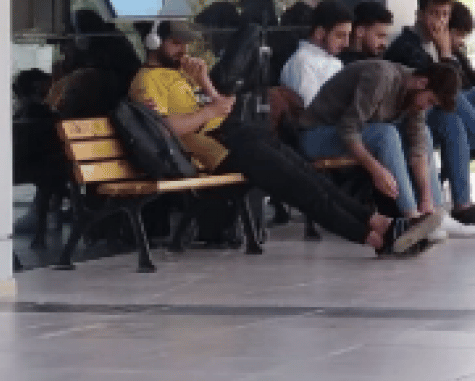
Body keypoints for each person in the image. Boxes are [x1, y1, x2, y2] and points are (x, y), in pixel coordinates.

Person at [131, 20, 441, 256]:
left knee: (308, 175)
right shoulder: (146, 82)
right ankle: (375, 235)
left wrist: (205, 84)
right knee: (301, 187)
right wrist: (209, 109)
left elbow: (221, 108)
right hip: (218, 153)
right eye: (174, 43)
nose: (182, 50)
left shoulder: (182, 74)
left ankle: (381, 225)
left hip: (236, 134)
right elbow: (164, 130)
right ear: (153, 42)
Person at [298, 59, 461, 227]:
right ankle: (412, 218)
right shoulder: (381, 77)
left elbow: (418, 145)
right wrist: (377, 170)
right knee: (386, 134)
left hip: (350, 135)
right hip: (315, 136)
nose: (427, 107)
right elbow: (348, 130)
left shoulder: (415, 94)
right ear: (422, 83)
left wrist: (426, 198)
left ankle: (434, 214)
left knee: (424, 133)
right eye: (430, 101)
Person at [381, 0, 475, 230]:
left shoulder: (439, 43)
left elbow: (466, 81)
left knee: (453, 115)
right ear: (420, 15)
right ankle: (459, 205)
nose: (441, 21)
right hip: (404, 116)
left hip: (431, 112)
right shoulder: (408, 46)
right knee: (451, 107)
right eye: (435, 14)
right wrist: (444, 54)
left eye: (445, 15)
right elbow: (440, 90)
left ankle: (463, 205)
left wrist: (448, 54)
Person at [279, 0, 352, 106]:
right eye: (340, 36)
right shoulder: (302, 64)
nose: (346, 43)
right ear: (319, 33)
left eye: (348, 35)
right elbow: (312, 110)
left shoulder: (334, 61)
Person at [339, 0, 394, 65]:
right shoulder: (339, 65)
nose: (384, 43)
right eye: (380, 36)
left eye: (385, 37)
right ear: (360, 31)